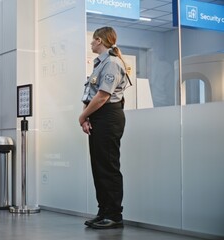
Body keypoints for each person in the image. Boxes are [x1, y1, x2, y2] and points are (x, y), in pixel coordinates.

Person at [79, 26, 130, 229]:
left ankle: (115, 215)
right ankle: (104, 211)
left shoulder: (112, 63)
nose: (91, 43)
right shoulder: (100, 63)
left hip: (109, 116)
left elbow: (102, 96)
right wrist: (87, 118)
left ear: (99, 40)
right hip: (99, 116)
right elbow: (91, 94)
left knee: (108, 167)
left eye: (93, 40)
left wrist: (82, 116)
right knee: (99, 168)